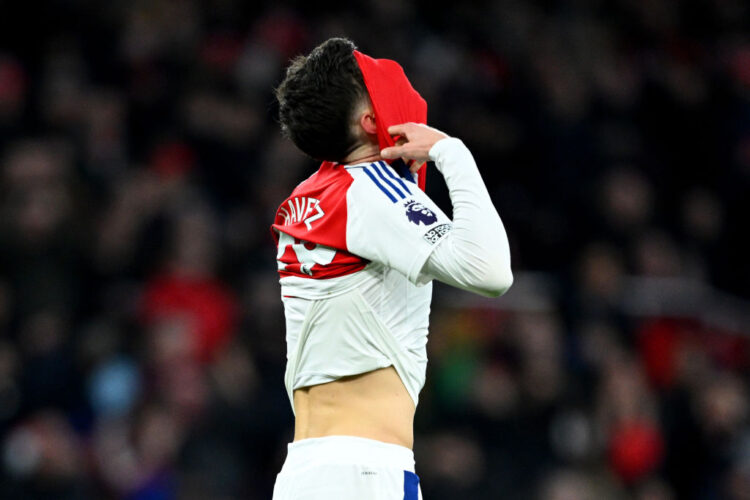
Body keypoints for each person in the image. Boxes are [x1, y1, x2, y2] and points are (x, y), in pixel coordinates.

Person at [270, 37, 513, 499]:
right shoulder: (372, 189)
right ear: (369, 120)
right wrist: (451, 151)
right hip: (365, 472)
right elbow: (491, 271)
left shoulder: (308, 197)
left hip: (303, 471)